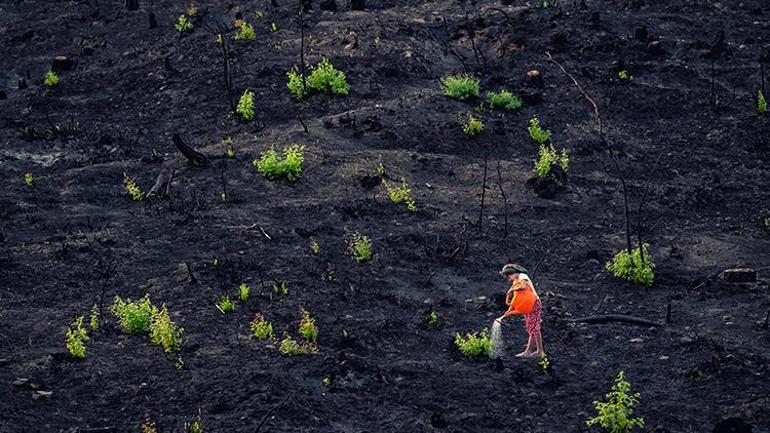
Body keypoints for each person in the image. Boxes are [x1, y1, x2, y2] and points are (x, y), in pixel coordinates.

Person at [495, 263, 545, 358]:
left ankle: (530, 351)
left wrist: (511, 290)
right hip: (529, 305)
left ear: (513, 272)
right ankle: (539, 351)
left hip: (534, 304)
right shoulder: (516, 281)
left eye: (509, 276)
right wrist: (509, 311)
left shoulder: (522, 276)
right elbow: (515, 299)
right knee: (533, 328)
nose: (509, 279)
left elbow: (523, 286)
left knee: (533, 328)